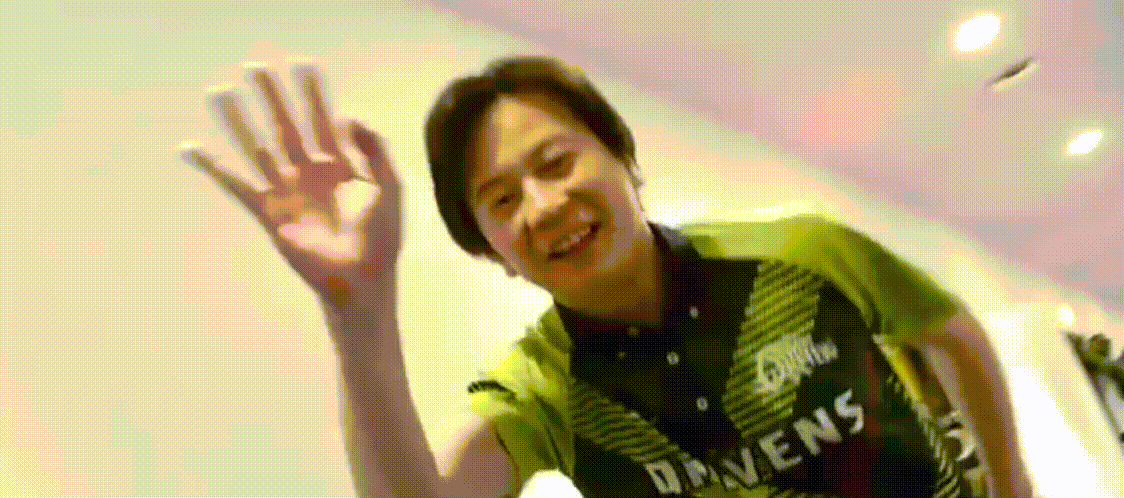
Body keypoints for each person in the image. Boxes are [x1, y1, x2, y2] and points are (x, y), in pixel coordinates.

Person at [178, 56, 1037, 497]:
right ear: (492, 251)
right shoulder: (542, 387)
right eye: (500, 200)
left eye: (555, 162)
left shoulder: (802, 247)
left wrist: (1012, 483)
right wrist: (356, 311)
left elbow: (949, 330)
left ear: (623, 158)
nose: (542, 206)